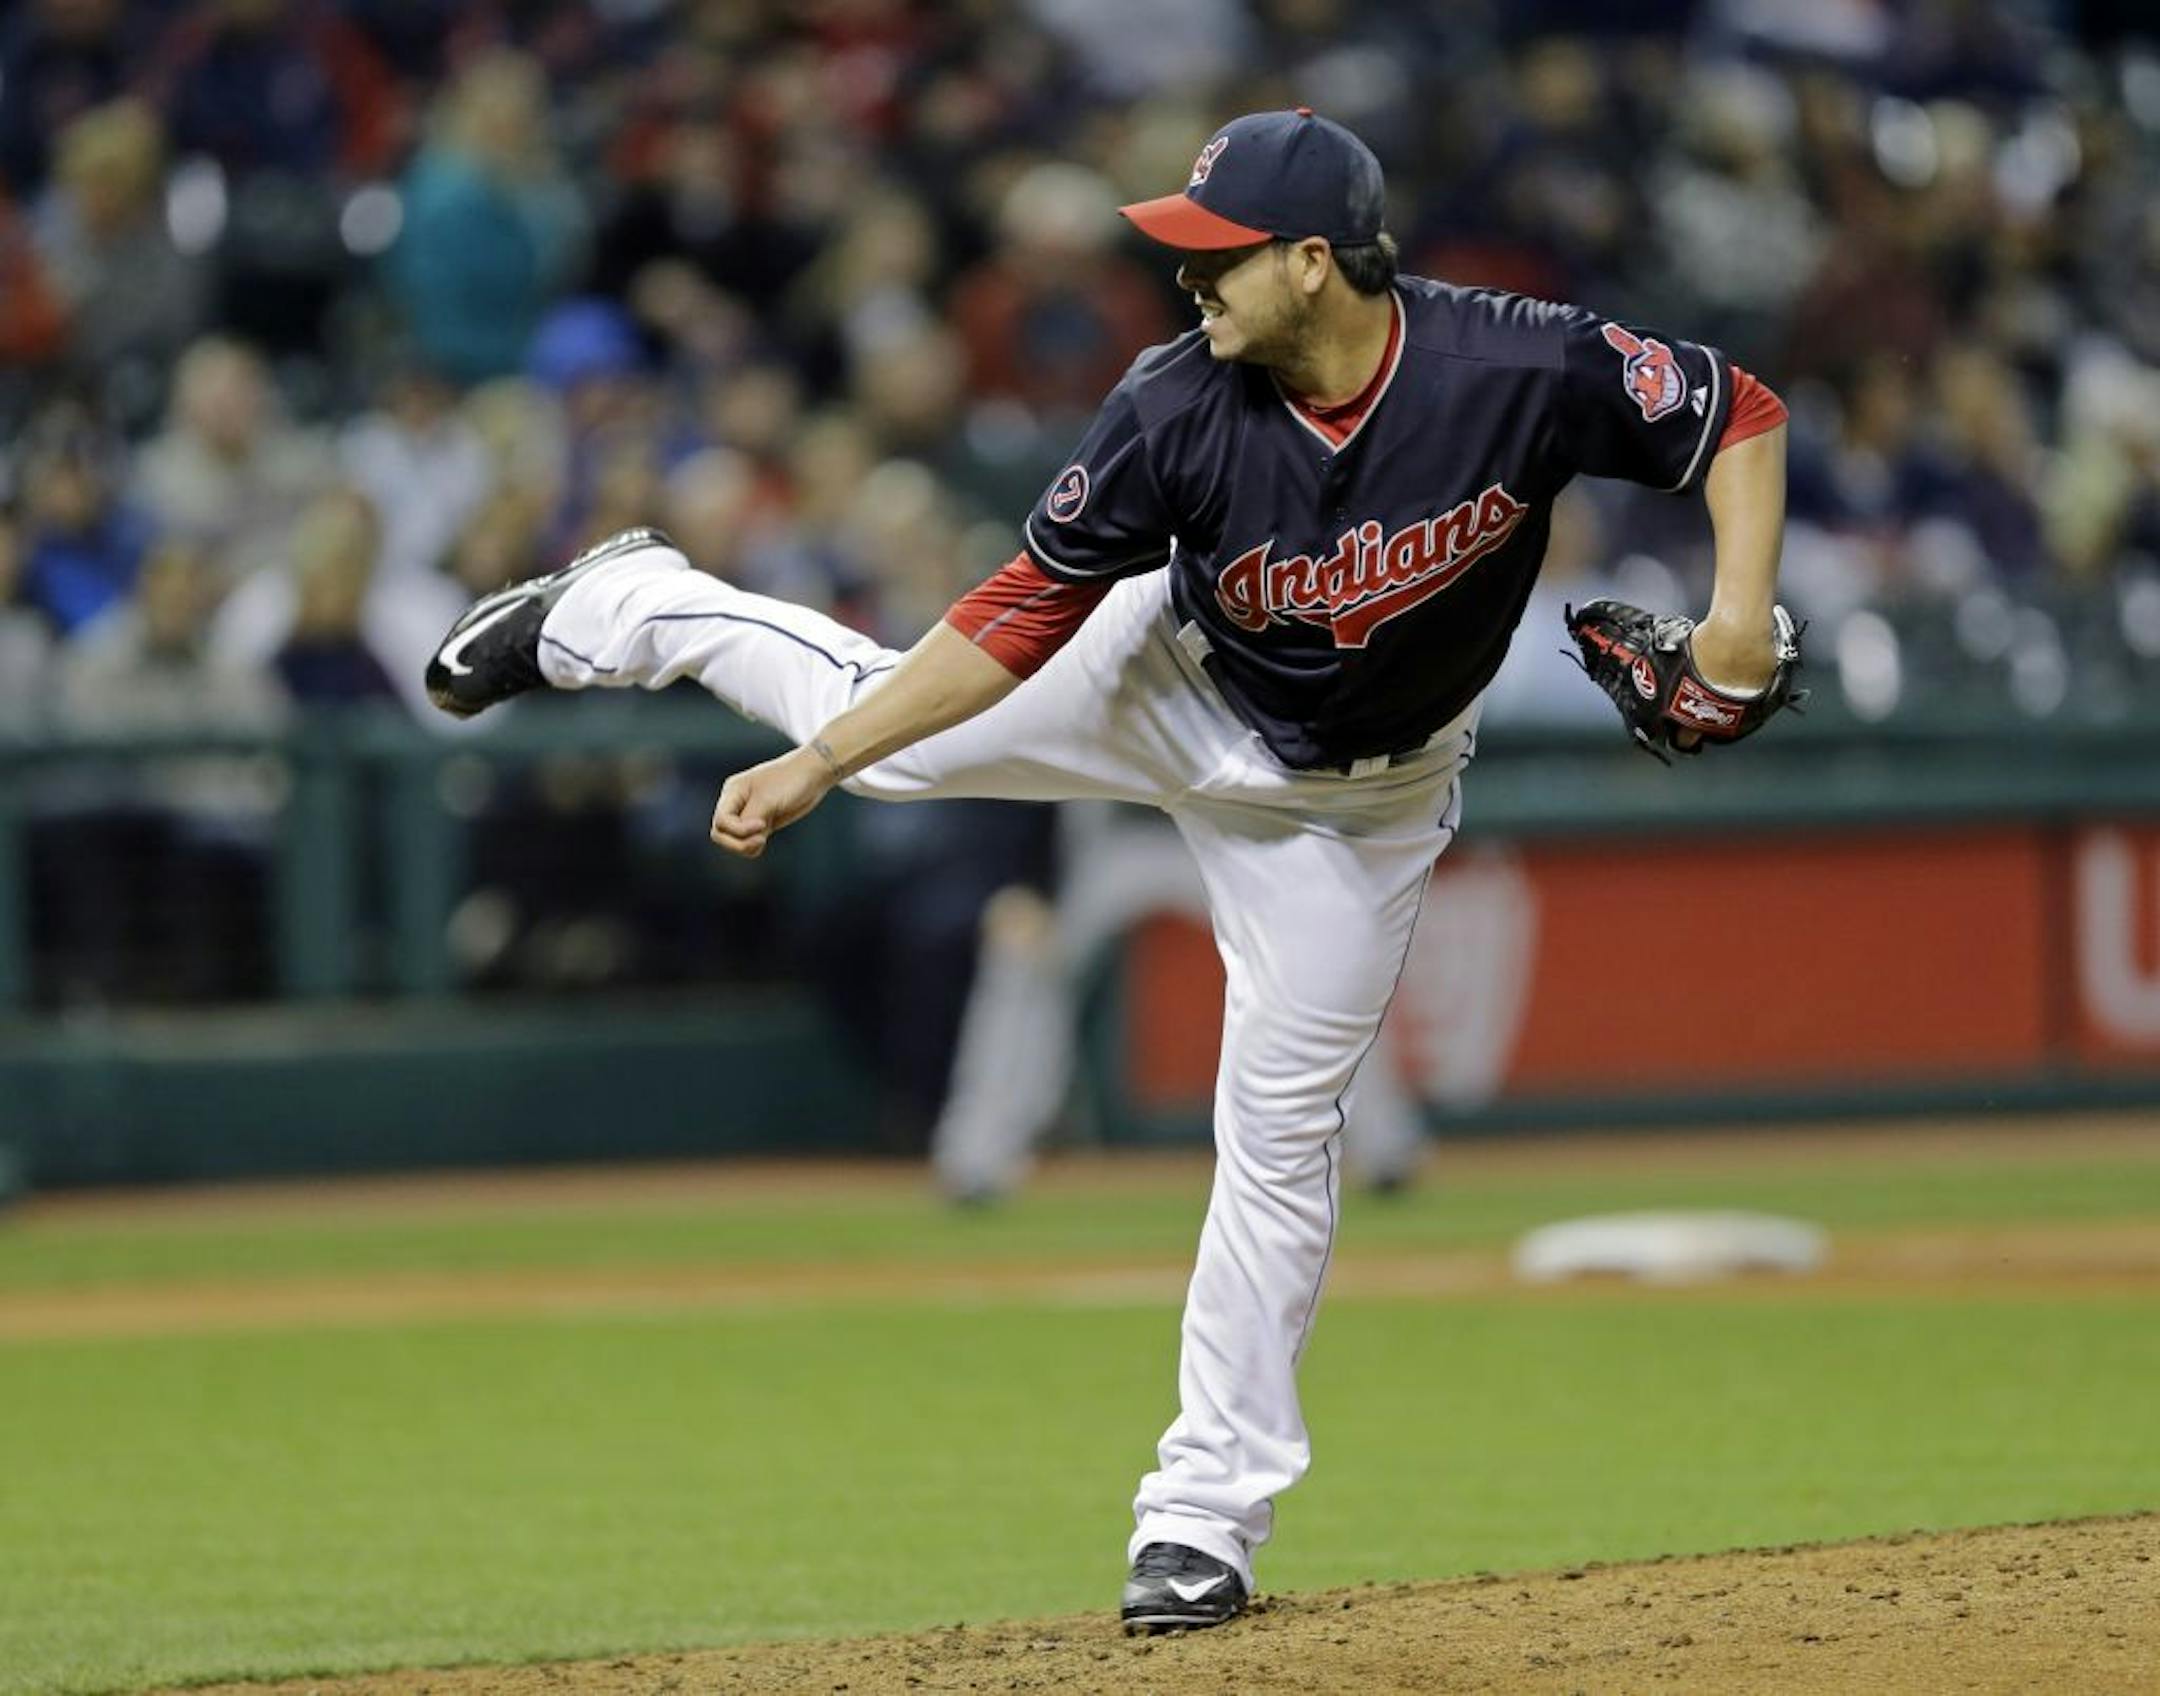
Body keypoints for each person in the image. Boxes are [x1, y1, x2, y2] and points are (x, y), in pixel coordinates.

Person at [425, 109, 1791, 1631]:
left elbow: (1734, 410)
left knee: (1279, 1141)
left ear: (1315, 261)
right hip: (1167, 680)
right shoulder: (1174, 403)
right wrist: (821, 764)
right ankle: (627, 606)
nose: (1185, 276)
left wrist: (1738, 620)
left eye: (1219, 254)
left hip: (1359, 808)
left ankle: (1200, 1525)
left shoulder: (1510, 363)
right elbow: (1012, 615)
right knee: (872, 724)